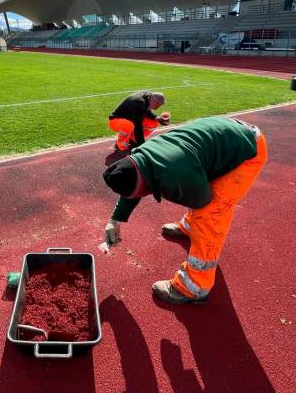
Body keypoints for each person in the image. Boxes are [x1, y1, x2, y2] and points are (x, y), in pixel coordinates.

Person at [102, 116, 268, 304]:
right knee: (194, 185)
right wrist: (114, 220)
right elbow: (133, 184)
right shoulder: (140, 157)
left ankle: (194, 287)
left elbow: (202, 200)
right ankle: (189, 227)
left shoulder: (173, 174)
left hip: (247, 152)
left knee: (209, 212)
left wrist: (168, 191)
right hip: (227, 136)